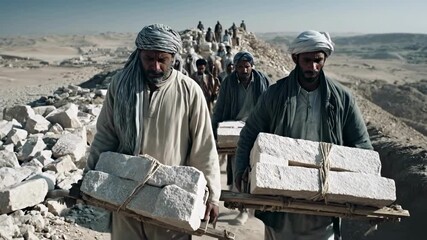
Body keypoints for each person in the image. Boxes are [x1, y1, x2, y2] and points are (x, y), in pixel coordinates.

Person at [86, 24, 221, 240]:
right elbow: (105, 135)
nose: (155, 67)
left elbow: (203, 146)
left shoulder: (189, 90)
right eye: (149, 59)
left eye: (162, 60)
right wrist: (89, 174)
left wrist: (212, 195)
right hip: (125, 194)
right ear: (139, 55)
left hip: (170, 199)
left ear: (173, 58)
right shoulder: (120, 86)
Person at [234, 30, 373, 240]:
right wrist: (240, 170)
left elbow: (361, 144)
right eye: (307, 60)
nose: (313, 67)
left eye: (318, 60)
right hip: (281, 204)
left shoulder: (342, 99)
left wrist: (367, 185)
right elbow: (250, 134)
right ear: (295, 58)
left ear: (325, 59)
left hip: (324, 206)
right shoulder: (275, 95)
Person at [212, 51, 271, 225]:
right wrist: (214, 130)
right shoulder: (228, 83)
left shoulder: (263, 81)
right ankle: (243, 208)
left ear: (252, 66)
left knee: (256, 167)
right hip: (235, 129)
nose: (244, 70)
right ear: (235, 68)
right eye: (240, 67)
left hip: (257, 127)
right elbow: (220, 108)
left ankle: (255, 205)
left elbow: (270, 106)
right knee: (238, 167)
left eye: (247, 66)